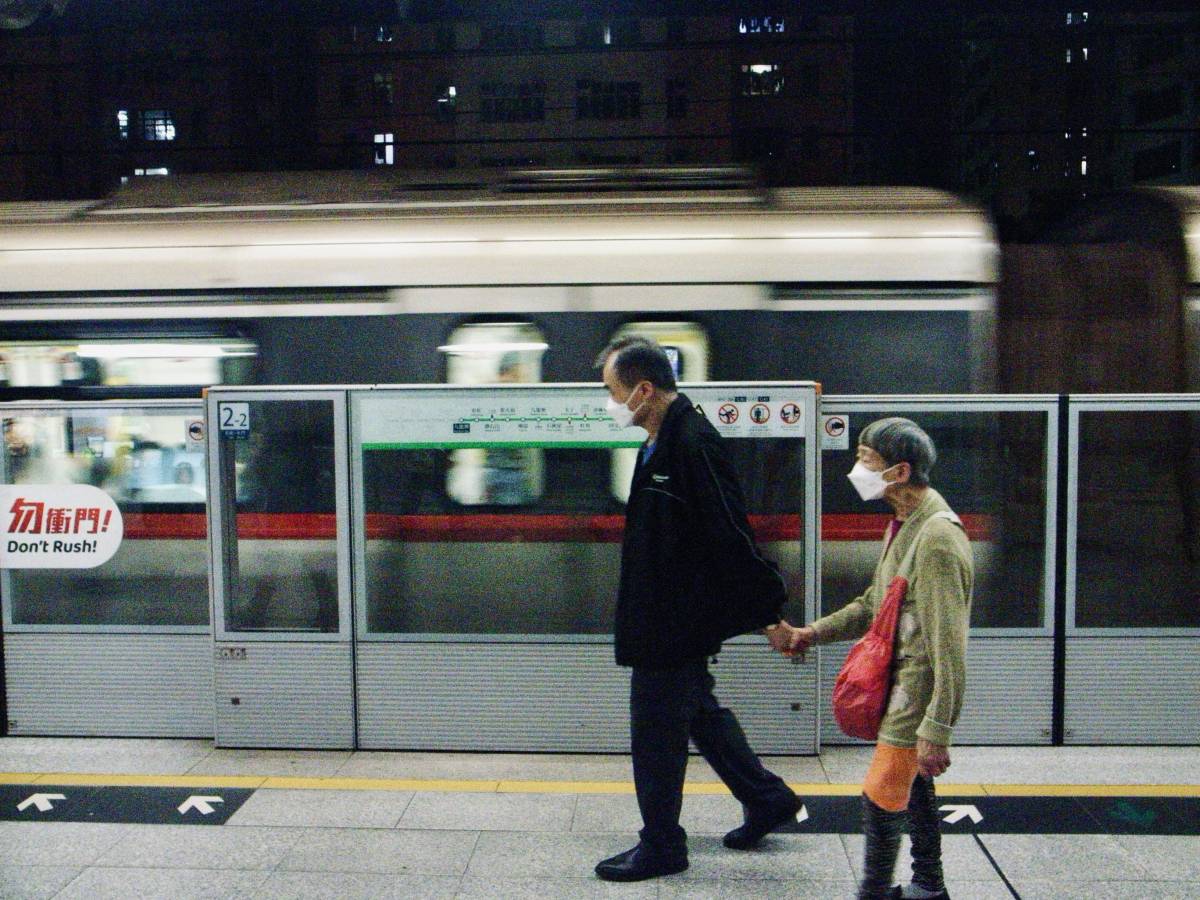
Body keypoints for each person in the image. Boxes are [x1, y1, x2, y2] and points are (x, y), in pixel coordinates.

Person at [592, 336, 802, 883]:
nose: (610, 404)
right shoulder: (659, 441)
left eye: (613, 392)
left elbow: (729, 532)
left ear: (643, 390)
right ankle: (768, 799)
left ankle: (662, 845)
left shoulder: (692, 442)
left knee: (655, 733)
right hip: (664, 612)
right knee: (698, 713)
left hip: (674, 623)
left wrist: (768, 613)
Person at [770, 418, 974, 900]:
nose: (856, 469)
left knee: (882, 792)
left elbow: (949, 647)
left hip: (915, 691)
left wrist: (937, 728)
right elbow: (871, 606)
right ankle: (930, 886)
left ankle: (875, 892)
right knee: (912, 786)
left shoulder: (937, 538)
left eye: (866, 460)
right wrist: (810, 634)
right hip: (897, 683)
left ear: (899, 472)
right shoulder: (903, 524)